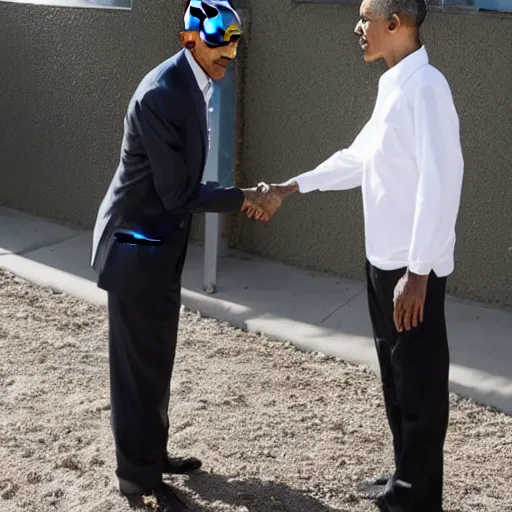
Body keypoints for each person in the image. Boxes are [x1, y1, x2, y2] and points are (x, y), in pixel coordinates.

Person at [256, 0, 464, 510]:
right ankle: (403, 479)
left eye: (365, 17)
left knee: (420, 392)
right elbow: (359, 158)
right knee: (397, 383)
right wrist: (292, 186)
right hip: (383, 266)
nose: (357, 27)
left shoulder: (428, 89)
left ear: (395, 25)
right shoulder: (392, 85)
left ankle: (415, 498)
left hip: (411, 272)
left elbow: (441, 186)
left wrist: (417, 274)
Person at [91, 1, 279, 509]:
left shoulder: (196, 82)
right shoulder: (161, 94)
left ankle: (152, 455)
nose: (230, 52)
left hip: (158, 247)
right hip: (134, 247)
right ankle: (137, 479)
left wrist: (240, 194)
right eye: (219, 40)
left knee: (156, 360)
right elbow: (177, 194)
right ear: (189, 39)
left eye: (235, 40)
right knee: (136, 370)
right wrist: (244, 196)